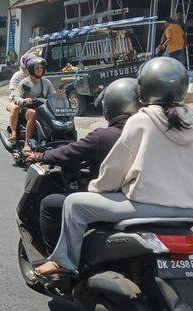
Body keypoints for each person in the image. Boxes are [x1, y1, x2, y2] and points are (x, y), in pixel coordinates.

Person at [35, 57, 193, 278]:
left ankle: (64, 263)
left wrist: (97, 189)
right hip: (188, 211)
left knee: (74, 203)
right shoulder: (189, 120)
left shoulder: (141, 120)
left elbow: (115, 169)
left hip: (147, 206)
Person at [25, 78, 140, 253]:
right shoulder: (156, 133)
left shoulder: (103, 136)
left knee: (50, 204)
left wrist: (41, 155)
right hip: (157, 205)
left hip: (117, 201)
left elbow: (69, 152)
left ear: (110, 107)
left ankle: (58, 260)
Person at [12, 57, 58, 151]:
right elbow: (16, 97)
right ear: (31, 69)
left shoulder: (46, 82)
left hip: (42, 109)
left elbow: (53, 96)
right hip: (26, 109)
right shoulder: (25, 82)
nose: (40, 69)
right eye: (37, 68)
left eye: (41, 67)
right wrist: (23, 100)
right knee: (32, 113)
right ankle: (27, 143)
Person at [5, 52, 37, 143]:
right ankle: (13, 133)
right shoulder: (17, 76)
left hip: (31, 103)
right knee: (15, 108)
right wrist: (23, 99)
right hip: (14, 101)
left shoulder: (36, 75)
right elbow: (15, 92)